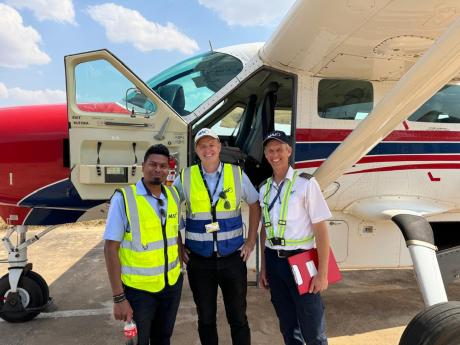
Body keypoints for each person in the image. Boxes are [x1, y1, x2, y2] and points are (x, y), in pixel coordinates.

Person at [173, 128, 261, 345]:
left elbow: (255, 204)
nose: (207, 149)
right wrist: (179, 246)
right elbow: (170, 210)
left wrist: (250, 242)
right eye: (202, 146)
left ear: (220, 146)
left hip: (232, 258)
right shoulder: (186, 176)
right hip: (199, 261)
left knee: (238, 318)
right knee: (205, 319)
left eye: (211, 144)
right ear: (196, 150)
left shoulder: (236, 174)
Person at [104, 144, 183, 345]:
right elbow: (110, 248)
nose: (158, 169)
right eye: (153, 164)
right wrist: (119, 298)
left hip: (171, 285)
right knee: (139, 341)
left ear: (168, 169)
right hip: (139, 291)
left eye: (163, 166)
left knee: (163, 338)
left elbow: (174, 233)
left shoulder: (173, 195)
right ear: (142, 166)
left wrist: (181, 260)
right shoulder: (124, 198)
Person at [258, 130, 332, 345]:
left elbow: (321, 228)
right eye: (270, 151)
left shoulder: (306, 184)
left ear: (289, 151)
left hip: (302, 259)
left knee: (313, 325)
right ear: (265, 154)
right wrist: (264, 268)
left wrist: (323, 273)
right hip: (274, 261)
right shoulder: (264, 189)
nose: (275, 155)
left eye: (279, 149)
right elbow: (265, 229)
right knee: (288, 326)